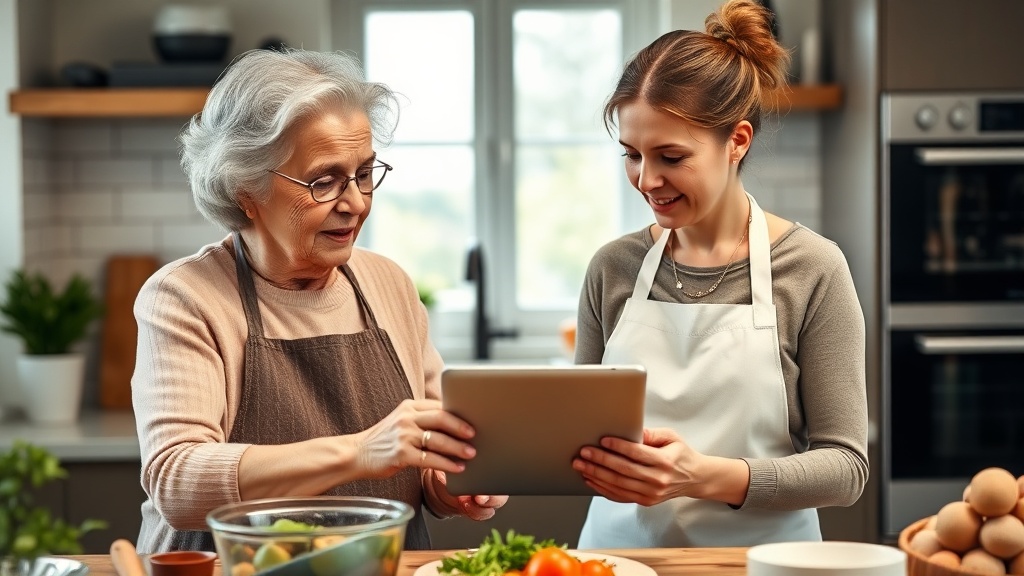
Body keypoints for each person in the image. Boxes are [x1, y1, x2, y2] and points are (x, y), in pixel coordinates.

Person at [131, 48, 506, 554]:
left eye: (365, 173)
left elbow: (427, 454)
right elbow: (178, 481)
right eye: (324, 181)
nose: (355, 202)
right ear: (246, 187)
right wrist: (360, 451)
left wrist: (455, 483)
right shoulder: (186, 297)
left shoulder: (387, 283)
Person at [571, 0, 868, 547]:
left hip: (761, 561)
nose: (646, 179)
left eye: (671, 156)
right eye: (632, 154)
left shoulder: (812, 268)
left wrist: (702, 476)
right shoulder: (612, 268)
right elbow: (579, 440)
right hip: (620, 558)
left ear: (737, 141)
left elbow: (846, 467)